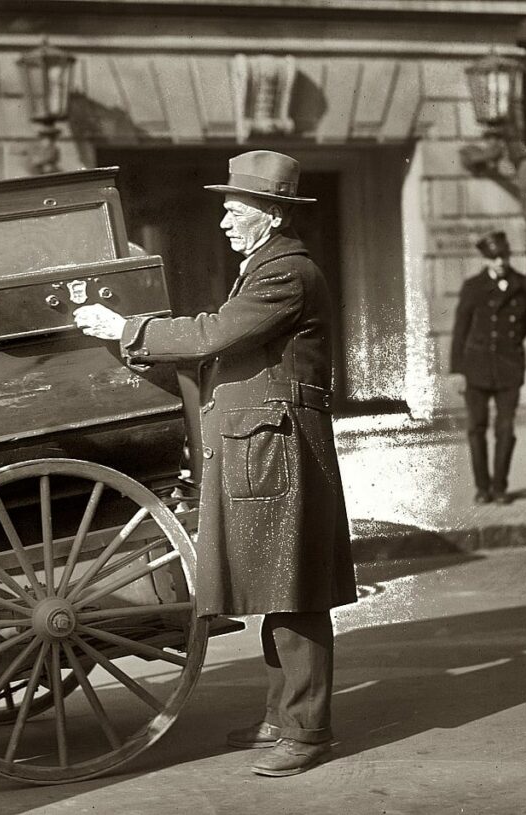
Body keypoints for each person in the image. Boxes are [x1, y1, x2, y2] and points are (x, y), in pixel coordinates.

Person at [74, 150, 357, 777]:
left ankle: (308, 732)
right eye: (226, 208)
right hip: (262, 446)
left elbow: (214, 336)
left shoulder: (284, 272)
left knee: (296, 592)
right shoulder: (265, 266)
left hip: (278, 448)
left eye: (236, 208)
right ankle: (283, 717)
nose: (225, 220)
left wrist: (126, 329)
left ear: (271, 213)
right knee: (276, 587)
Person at [450, 229, 526, 505]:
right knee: (476, 428)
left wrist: (511, 348)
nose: (500, 262)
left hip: (509, 367)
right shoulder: (473, 287)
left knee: (506, 429)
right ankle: (482, 488)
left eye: (504, 256)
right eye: (495, 258)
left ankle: (500, 487)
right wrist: (457, 370)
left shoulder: (523, 285)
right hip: (476, 367)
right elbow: (460, 330)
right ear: (486, 260)